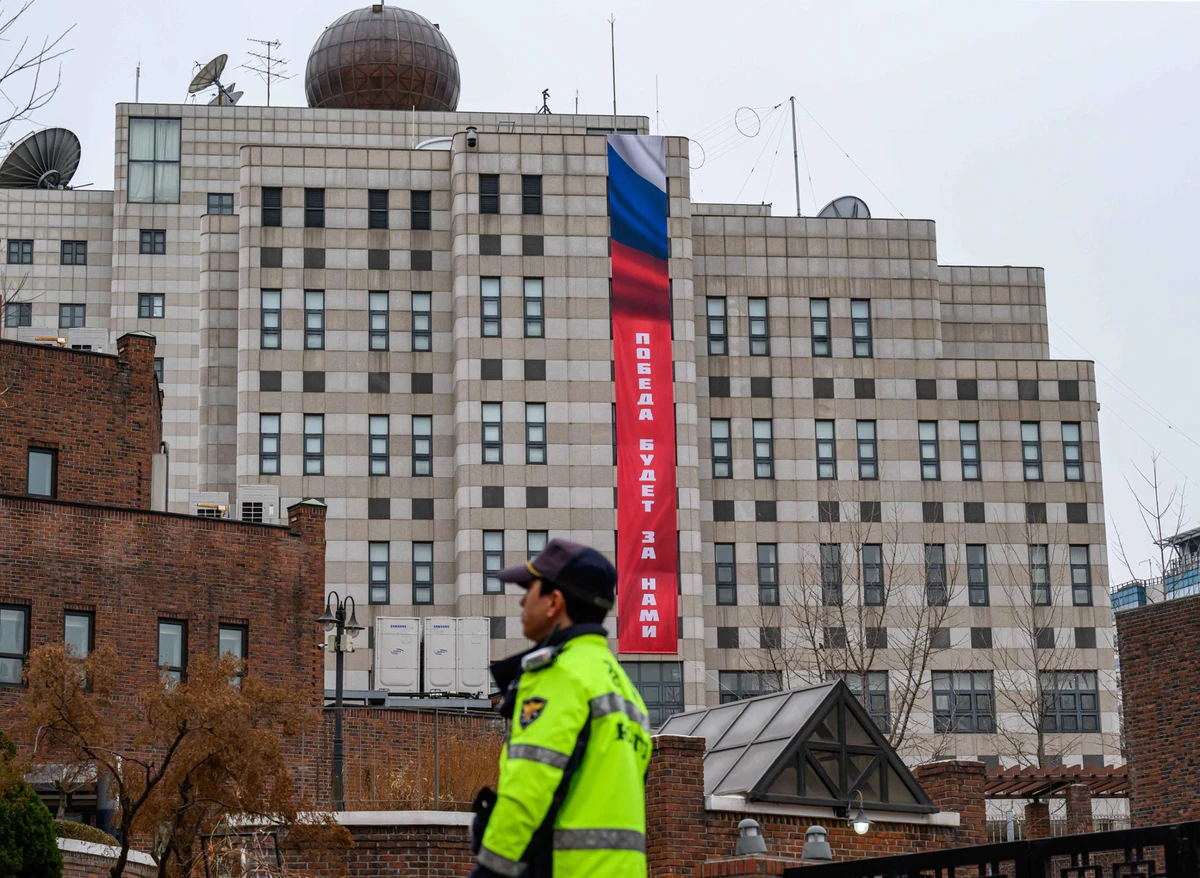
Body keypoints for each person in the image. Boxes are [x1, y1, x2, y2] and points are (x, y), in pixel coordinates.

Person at [469, 538, 652, 878]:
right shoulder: (624, 689)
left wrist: (489, 871)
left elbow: (529, 789)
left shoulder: (559, 675)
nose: (523, 600)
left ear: (554, 601)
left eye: (529, 588)